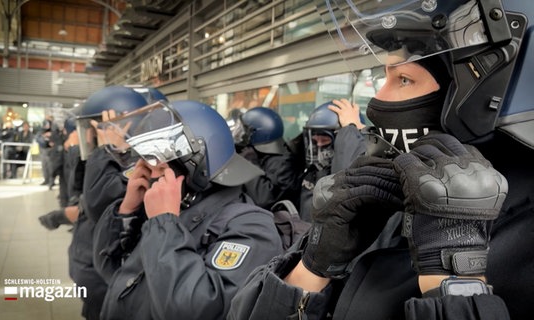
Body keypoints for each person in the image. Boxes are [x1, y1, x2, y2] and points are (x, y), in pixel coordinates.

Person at [228, 0, 533, 319]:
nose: (377, 102)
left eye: (403, 79)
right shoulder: (381, 195)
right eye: (383, 77)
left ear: (485, 95)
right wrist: (313, 266)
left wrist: (455, 285)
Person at [92, 100, 284, 320]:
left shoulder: (253, 227)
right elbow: (109, 267)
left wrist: (164, 222)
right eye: (146, 164)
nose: (151, 176)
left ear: (196, 168)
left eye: (159, 167)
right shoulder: (176, 206)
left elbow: (192, 310)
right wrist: (127, 211)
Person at [68, 86, 150, 320]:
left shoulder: (136, 166)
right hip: (90, 268)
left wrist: (109, 151)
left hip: (107, 279)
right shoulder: (108, 160)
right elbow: (81, 193)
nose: (89, 137)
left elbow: (97, 205)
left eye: (95, 130)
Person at [298, 102, 366, 221]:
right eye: (314, 141)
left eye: (324, 141)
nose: (318, 145)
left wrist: (351, 131)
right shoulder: (312, 171)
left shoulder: (355, 171)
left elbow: (341, 184)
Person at [232, 106, 302, 210]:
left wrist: (249, 163)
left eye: (243, 131)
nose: (240, 134)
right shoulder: (259, 154)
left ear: (256, 133)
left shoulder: (282, 162)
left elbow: (263, 198)